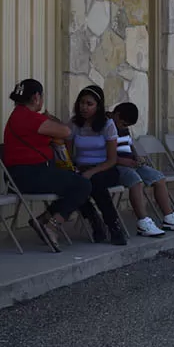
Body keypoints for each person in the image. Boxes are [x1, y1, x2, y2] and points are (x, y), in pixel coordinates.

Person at [2, 78, 93, 253]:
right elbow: (66, 132)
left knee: (75, 182)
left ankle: (43, 220)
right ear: (36, 97)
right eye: (41, 97)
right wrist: (50, 119)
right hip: (26, 176)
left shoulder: (19, 115)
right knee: (82, 184)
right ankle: (52, 224)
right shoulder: (28, 117)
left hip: (26, 174)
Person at [110, 102, 174, 235]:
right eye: (124, 123)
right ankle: (143, 222)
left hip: (131, 163)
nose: (124, 126)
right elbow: (106, 155)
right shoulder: (107, 127)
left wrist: (137, 158)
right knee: (135, 181)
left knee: (158, 177)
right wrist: (125, 162)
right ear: (117, 115)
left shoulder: (123, 128)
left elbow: (130, 145)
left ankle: (169, 217)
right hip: (116, 166)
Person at [66, 85, 128, 246]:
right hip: (81, 167)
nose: (84, 107)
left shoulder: (107, 125)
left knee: (94, 182)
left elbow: (112, 159)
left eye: (89, 104)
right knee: (76, 183)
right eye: (81, 103)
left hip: (104, 168)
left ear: (98, 106)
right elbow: (67, 154)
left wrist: (92, 171)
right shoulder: (74, 124)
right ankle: (94, 219)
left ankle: (113, 226)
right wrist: (76, 168)